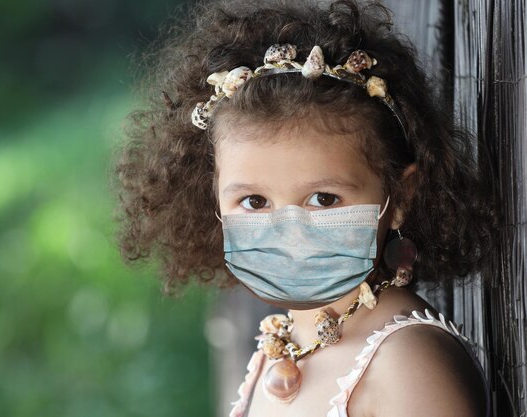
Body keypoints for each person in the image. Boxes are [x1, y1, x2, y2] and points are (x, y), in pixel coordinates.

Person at [115, 0, 495, 416]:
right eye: (254, 201)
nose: (288, 230)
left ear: (401, 197)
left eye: (324, 199)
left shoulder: (407, 365)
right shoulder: (283, 339)